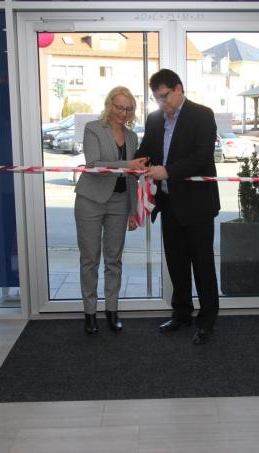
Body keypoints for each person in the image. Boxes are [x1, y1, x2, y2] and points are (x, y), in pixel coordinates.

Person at [134, 69, 221, 345]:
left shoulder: (203, 115)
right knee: (176, 263)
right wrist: (138, 162)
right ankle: (182, 312)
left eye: (164, 96)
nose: (162, 103)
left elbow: (202, 156)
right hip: (169, 204)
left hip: (197, 206)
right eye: (156, 98)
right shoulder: (154, 119)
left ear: (178, 88)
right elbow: (147, 150)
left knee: (202, 264)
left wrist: (167, 171)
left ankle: (207, 320)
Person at [75, 86, 148, 334]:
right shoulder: (93, 128)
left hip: (119, 202)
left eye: (128, 109)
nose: (123, 113)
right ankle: (89, 313)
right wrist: (128, 164)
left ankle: (112, 310)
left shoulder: (131, 136)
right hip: (91, 199)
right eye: (119, 107)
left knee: (114, 260)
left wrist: (132, 210)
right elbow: (95, 164)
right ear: (109, 105)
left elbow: (132, 177)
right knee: (90, 258)